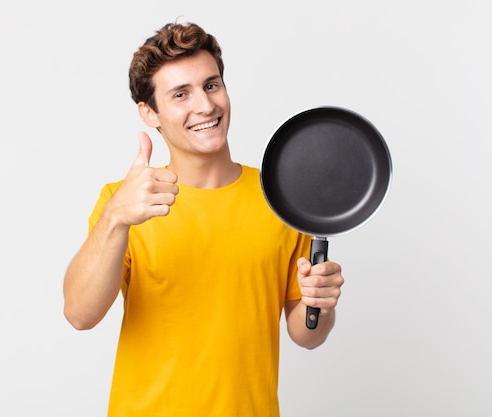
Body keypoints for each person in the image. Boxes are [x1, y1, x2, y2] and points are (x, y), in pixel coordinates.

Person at [63, 21, 345, 416]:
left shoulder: (280, 198)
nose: (205, 105)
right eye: (181, 94)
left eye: (211, 85)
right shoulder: (124, 203)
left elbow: (305, 334)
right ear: (150, 113)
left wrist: (322, 304)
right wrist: (116, 219)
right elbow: (80, 314)